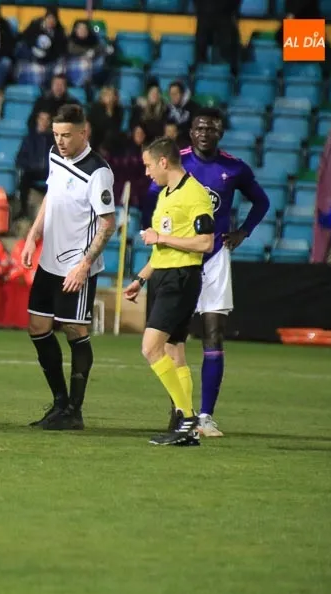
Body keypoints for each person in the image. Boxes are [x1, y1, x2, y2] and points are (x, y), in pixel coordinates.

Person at [140, 108, 270, 437]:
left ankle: (205, 415)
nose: (204, 133)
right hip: (177, 262)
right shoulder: (175, 163)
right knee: (173, 342)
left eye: (211, 129)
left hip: (212, 259)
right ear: (190, 131)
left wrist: (243, 231)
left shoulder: (233, 168)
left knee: (213, 334)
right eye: (199, 128)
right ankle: (181, 413)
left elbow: (262, 202)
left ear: (220, 132)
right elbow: (152, 200)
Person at [19, 104, 116, 431]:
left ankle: (75, 409)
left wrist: (84, 265)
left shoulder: (98, 171)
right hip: (49, 261)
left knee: (75, 330)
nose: (59, 141)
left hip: (77, 264)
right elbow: (52, 194)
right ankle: (60, 402)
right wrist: (33, 234)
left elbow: (108, 224)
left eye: (66, 135)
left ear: (83, 132)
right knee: (37, 328)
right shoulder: (54, 155)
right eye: (56, 135)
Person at [123, 137, 214, 447]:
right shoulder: (164, 195)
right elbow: (161, 249)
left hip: (181, 278)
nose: (147, 172)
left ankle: (187, 417)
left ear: (164, 162)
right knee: (174, 351)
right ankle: (185, 425)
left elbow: (206, 243)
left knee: (150, 348)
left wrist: (161, 236)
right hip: (164, 276)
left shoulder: (195, 194)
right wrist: (141, 278)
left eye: (149, 165)